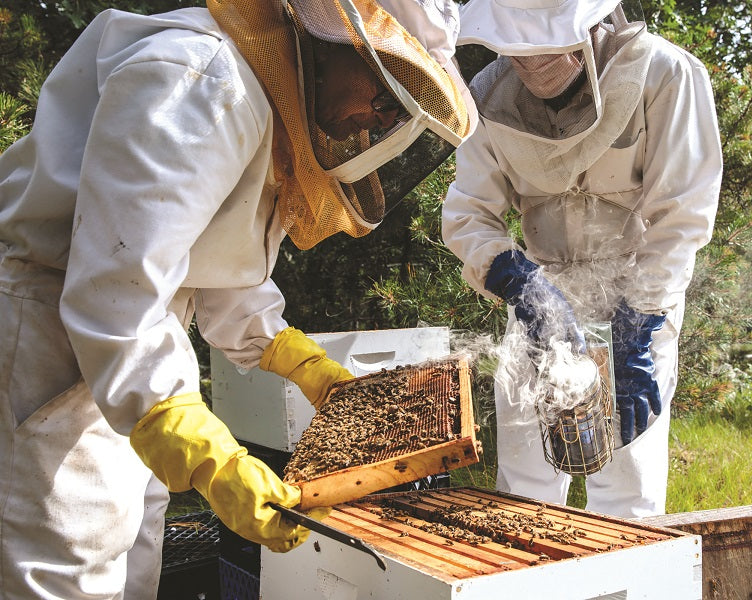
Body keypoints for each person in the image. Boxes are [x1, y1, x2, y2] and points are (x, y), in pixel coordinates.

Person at [0, 0, 474, 597]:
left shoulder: (264, 101)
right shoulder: (201, 79)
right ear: (336, 42)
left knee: (134, 555)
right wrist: (209, 455)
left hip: (134, 334)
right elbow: (113, 282)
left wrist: (291, 355)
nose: (374, 125)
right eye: (383, 95)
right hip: (59, 328)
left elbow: (211, 265)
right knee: (72, 565)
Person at [442, 0, 722, 518]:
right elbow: (469, 213)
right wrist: (520, 283)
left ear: (591, 23)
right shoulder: (485, 95)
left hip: (639, 296)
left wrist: (638, 321)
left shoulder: (665, 74)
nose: (530, 63)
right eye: (517, 50)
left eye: (545, 45)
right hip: (540, 300)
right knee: (525, 486)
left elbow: (681, 214)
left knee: (627, 488)